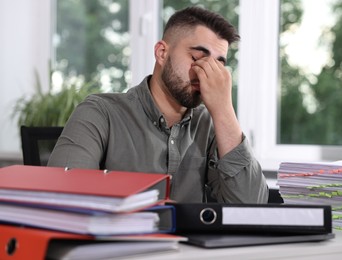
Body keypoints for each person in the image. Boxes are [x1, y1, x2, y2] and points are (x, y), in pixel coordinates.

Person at [48, 6, 269, 203]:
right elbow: (63, 198)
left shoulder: (212, 125)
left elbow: (252, 207)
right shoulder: (100, 112)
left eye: (218, 65)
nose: (206, 73)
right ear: (162, 53)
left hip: (194, 249)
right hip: (123, 246)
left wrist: (224, 110)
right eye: (197, 58)